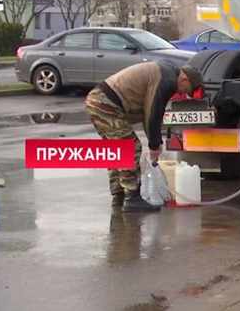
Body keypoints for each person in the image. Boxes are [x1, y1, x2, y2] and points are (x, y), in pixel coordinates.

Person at [85, 62, 202, 212]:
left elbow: (150, 113)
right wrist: (154, 145)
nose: (183, 93)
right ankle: (132, 197)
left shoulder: (165, 73)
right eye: (186, 90)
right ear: (185, 80)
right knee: (130, 147)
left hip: (97, 100)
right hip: (106, 103)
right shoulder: (167, 80)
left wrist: (155, 142)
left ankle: (119, 194)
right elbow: (153, 113)